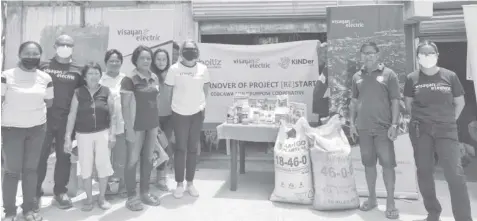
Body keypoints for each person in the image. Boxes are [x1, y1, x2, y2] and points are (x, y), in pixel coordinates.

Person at [404, 41, 473, 221]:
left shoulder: (450, 76)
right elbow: (408, 104)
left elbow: (460, 102)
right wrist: (423, 120)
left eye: (430, 53)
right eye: (423, 53)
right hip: (421, 131)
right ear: (418, 57)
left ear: (437, 55)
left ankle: (464, 217)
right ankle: (433, 212)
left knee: (455, 174)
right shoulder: (412, 78)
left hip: (446, 130)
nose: (427, 56)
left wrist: (447, 120)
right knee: (424, 171)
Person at [1, 41, 53, 221]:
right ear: (19, 54)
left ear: (40, 56)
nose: (31, 57)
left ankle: (29, 210)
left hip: (37, 129)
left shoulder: (45, 78)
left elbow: (49, 102)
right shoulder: (6, 76)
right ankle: (10, 212)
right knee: (11, 171)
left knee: (31, 170)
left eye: (35, 54)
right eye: (27, 53)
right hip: (11, 129)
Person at [349, 42, 400, 219]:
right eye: (364, 53)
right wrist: (352, 123)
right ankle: (372, 199)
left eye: (371, 53)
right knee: (368, 165)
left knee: (387, 166)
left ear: (378, 55)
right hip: (363, 129)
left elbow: (395, 101)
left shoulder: (389, 74)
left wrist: (394, 124)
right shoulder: (357, 76)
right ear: (361, 55)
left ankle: (391, 202)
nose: (368, 56)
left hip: (383, 129)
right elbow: (354, 102)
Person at [35, 34, 83, 211]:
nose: (65, 47)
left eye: (68, 44)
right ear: (55, 46)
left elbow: (82, 95)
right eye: (61, 44)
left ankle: (60, 192)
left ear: (73, 47)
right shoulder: (43, 66)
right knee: (40, 157)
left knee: (64, 157)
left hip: (66, 121)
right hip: (43, 119)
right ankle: (35, 194)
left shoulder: (78, 69)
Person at [63, 62, 115, 211]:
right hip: (83, 135)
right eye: (90, 73)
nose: (94, 76)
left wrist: (112, 134)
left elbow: (113, 115)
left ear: (100, 75)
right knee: (85, 166)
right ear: (84, 77)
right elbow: (72, 115)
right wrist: (68, 136)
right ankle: (89, 199)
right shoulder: (78, 92)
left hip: (103, 133)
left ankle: (102, 198)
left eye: (96, 73)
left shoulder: (106, 91)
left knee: (103, 165)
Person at [165, 40, 210, 198]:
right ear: (182, 52)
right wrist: (171, 112)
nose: (190, 52)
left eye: (193, 49)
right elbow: (169, 93)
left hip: (196, 114)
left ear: (197, 52)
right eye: (187, 49)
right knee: (180, 149)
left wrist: (202, 107)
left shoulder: (203, 69)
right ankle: (179, 184)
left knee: (192, 149)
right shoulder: (174, 69)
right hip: (179, 114)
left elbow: (205, 90)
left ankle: (190, 183)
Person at [121, 45, 161, 211]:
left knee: (148, 159)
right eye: (142, 58)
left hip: (152, 125)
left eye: (148, 58)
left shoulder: (154, 77)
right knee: (132, 161)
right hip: (136, 127)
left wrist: (157, 126)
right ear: (135, 60)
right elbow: (124, 106)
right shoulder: (129, 80)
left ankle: (145, 193)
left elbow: (155, 102)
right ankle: (131, 196)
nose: (146, 61)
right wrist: (129, 129)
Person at [99, 49, 128, 197]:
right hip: (103, 126)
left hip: (123, 123)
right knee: (105, 157)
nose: (115, 63)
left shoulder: (126, 79)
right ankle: (107, 188)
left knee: (120, 156)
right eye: (111, 60)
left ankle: (121, 185)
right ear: (106, 63)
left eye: (117, 61)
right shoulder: (100, 79)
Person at [151, 48, 173, 191]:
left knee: (166, 147)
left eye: (164, 59)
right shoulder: (151, 76)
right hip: (155, 118)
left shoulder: (172, 75)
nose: (161, 62)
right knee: (157, 148)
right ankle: (158, 179)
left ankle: (162, 178)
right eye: (158, 59)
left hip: (170, 116)